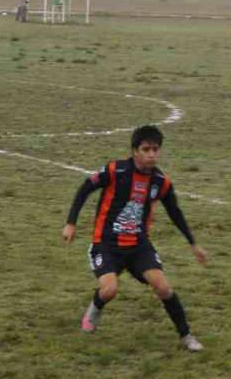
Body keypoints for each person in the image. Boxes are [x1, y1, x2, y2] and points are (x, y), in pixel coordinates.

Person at [62, 125, 208, 351]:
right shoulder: (115, 171)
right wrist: (71, 223)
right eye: (146, 149)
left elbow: (175, 212)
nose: (151, 154)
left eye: (155, 149)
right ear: (135, 151)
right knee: (109, 290)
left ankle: (186, 335)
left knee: (163, 287)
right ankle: (95, 308)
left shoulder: (161, 182)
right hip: (106, 245)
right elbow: (85, 188)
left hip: (139, 246)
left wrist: (193, 244)